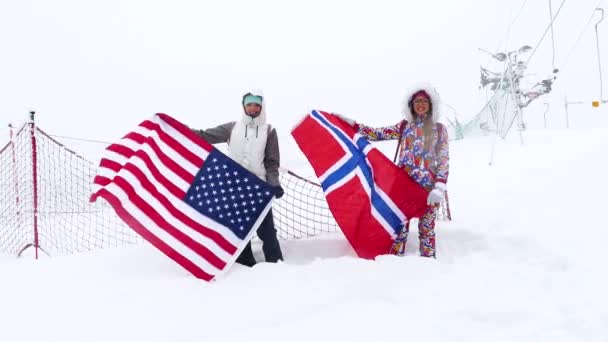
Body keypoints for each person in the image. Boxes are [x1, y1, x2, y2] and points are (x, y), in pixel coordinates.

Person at [335, 84, 449, 258]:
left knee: (426, 230)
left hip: (428, 189)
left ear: (431, 104)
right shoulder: (404, 127)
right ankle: (395, 266)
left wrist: (439, 185)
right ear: (411, 105)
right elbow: (377, 134)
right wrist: (354, 126)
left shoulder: (439, 129)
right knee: (399, 229)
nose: (421, 104)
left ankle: (428, 265)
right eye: (417, 101)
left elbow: (443, 158)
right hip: (403, 186)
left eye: (424, 101)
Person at [191, 89, 284, 266]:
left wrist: (274, 184)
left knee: (267, 231)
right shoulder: (232, 128)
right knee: (240, 229)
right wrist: (179, 129)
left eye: (256, 104)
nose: (253, 107)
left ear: (262, 106)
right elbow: (204, 136)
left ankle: (276, 263)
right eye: (249, 104)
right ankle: (245, 265)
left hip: (259, 189)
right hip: (234, 187)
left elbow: (272, 162)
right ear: (244, 106)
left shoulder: (269, 131)